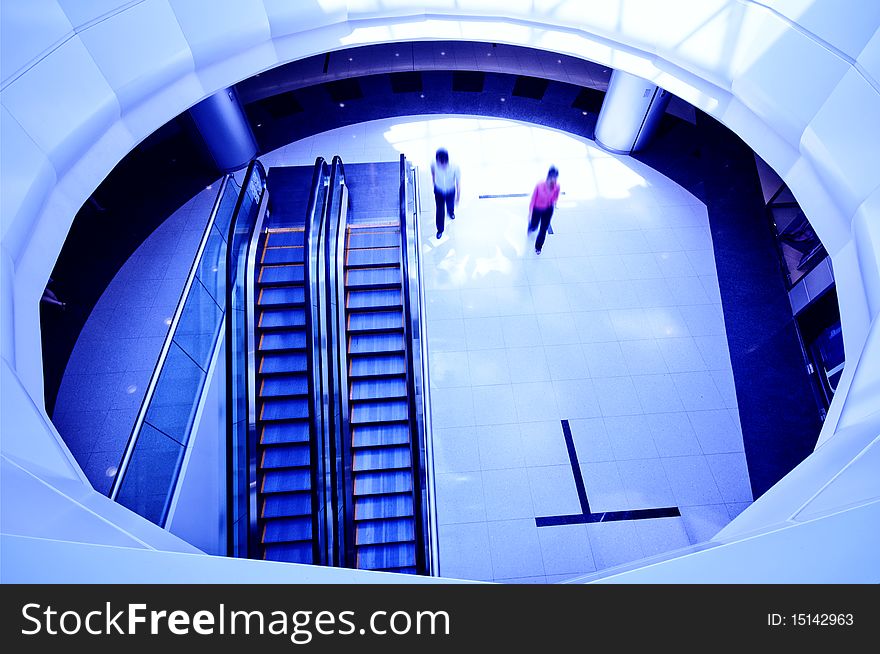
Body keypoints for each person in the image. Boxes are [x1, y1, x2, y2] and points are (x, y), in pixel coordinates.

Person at [528, 166, 561, 254]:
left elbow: (555, 197)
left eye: (555, 177)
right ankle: (531, 226)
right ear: (549, 176)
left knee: (543, 229)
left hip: (548, 210)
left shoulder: (557, 186)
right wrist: (531, 209)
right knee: (534, 224)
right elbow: (534, 197)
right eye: (552, 177)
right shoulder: (540, 185)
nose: (554, 179)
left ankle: (538, 247)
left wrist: (553, 203)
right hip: (537, 209)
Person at [430, 148, 460, 239]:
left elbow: (458, 182)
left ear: (446, 160)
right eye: (439, 162)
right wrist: (433, 182)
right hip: (439, 190)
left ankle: (451, 212)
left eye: (442, 162)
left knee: (450, 204)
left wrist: (458, 196)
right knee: (439, 210)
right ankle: (440, 229)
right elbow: (433, 171)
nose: (440, 165)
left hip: (450, 190)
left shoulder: (455, 166)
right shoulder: (434, 163)